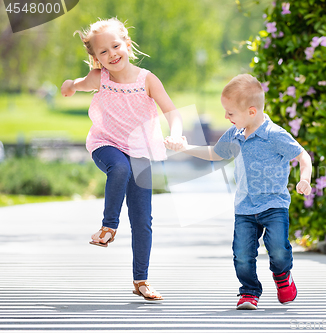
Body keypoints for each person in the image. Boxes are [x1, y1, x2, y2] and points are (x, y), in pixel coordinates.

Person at [61, 18, 185, 301]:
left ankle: (141, 280)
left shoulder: (147, 80)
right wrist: (68, 85)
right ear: (95, 58)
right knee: (119, 167)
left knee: (142, 220)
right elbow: (77, 84)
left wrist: (177, 135)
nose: (111, 55)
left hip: (141, 149)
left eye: (115, 46)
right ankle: (108, 227)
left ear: (127, 44)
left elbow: (172, 112)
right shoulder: (99, 78)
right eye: (102, 52)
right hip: (106, 143)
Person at [165, 74, 312, 310]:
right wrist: (186, 148)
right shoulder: (234, 134)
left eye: (230, 113)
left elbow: (302, 155)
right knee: (242, 255)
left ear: (251, 112)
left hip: (274, 205)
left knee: (278, 249)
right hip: (245, 206)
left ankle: (283, 276)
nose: (225, 117)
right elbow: (215, 153)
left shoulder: (275, 135)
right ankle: (249, 292)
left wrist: (305, 178)